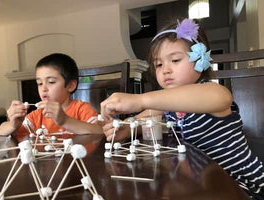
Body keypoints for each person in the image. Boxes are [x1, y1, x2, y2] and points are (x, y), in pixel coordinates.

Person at [100, 18, 264, 199]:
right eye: (159, 64)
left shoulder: (211, 92)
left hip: (239, 186)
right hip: (199, 184)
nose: (165, 70)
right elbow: (141, 119)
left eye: (175, 60)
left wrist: (140, 99)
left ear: (200, 61)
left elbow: (221, 97)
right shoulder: (167, 107)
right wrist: (124, 128)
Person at [0, 53, 103, 137]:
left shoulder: (81, 109)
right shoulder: (36, 116)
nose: (43, 88)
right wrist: (12, 124)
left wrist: (65, 120)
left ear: (70, 85)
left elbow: (100, 132)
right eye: (39, 83)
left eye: (51, 82)